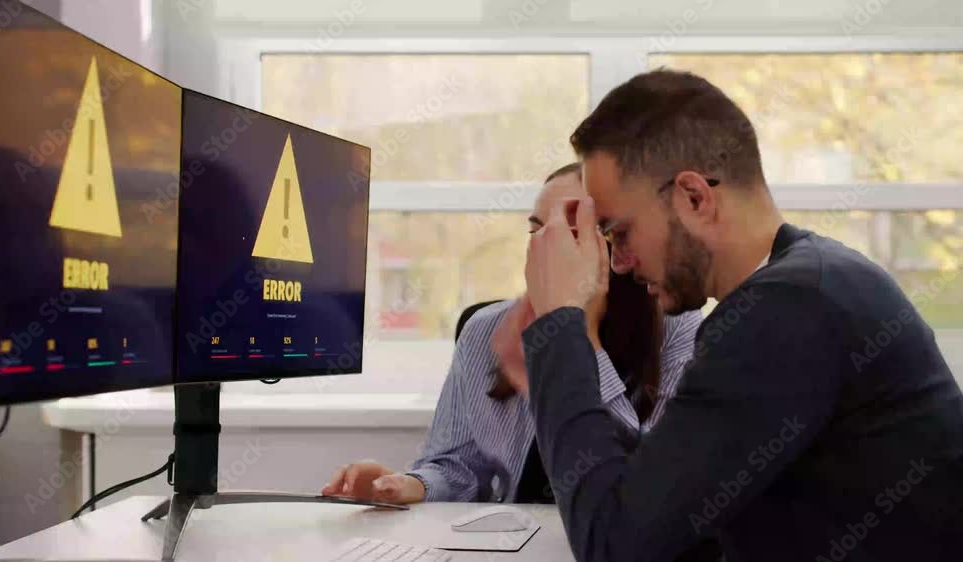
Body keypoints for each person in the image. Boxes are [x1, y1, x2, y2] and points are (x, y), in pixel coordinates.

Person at [522, 69, 963, 561]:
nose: (618, 263)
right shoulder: (808, 281)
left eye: (618, 233)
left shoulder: (791, 308)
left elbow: (614, 545)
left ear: (694, 198)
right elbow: (668, 498)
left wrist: (558, 322)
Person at [321, 163, 702, 507]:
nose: (544, 247)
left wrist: (580, 333)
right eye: (537, 230)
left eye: (571, 233)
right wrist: (405, 485)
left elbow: (654, 478)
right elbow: (456, 466)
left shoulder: (677, 326)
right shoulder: (486, 328)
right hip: (517, 536)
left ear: (618, 244)